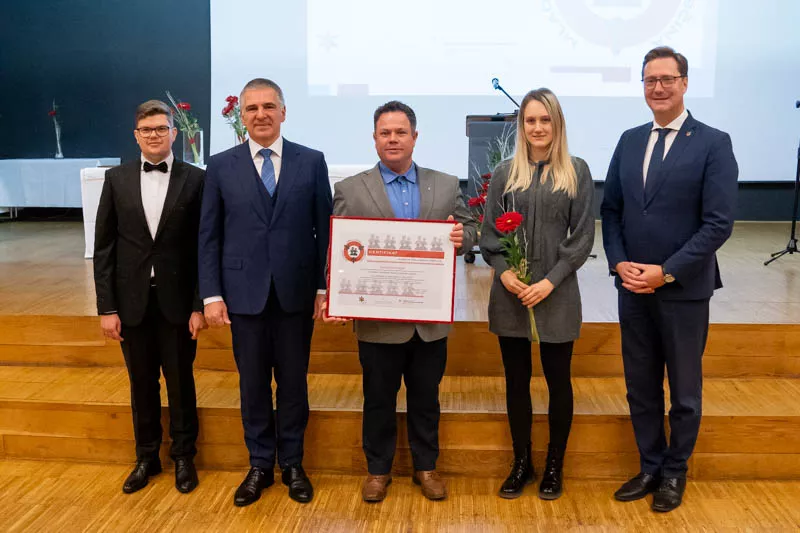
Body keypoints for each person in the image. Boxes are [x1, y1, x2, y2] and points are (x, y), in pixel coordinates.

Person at [601, 46, 738, 512]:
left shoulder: (713, 143)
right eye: (649, 80)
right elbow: (612, 210)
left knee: (684, 393)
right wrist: (619, 262)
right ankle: (650, 465)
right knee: (640, 387)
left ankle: (675, 471)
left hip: (682, 290)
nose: (657, 88)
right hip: (632, 288)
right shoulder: (629, 140)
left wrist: (667, 271)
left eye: (667, 79)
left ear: (684, 83)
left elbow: (717, 224)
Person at [324, 101, 477, 503]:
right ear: (374, 138)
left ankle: (426, 467)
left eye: (400, 132)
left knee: (426, 399)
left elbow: (470, 231)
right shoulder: (350, 189)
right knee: (378, 400)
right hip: (377, 322)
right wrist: (334, 295)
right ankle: (378, 471)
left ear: (414, 136)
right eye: (385, 133)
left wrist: (463, 238)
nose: (393, 139)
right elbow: (338, 250)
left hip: (428, 322)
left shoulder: (445, 185)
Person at [198, 78, 332, 506]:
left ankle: (292, 463)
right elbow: (209, 236)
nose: (261, 114)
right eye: (252, 108)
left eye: (269, 106)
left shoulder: (312, 161)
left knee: (293, 384)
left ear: (283, 112)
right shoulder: (220, 166)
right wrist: (211, 295)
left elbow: (325, 230)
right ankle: (259, 465)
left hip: (296, 294)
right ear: (242, 115)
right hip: (243, 296)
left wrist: (323, 286)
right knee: (253, 385)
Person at [480, 88, 594, 500]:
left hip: (556, 293)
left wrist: (550, 281)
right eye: (530, 120)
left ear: (557, 123)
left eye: (545, 120)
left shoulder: (576, 171)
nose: (538, 127)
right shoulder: (504, 174)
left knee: (558, 381)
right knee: (516, 382)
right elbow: (490, 235)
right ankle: (521, 462)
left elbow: (582, 238)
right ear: (521, 125)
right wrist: (505, 273)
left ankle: (554, 465)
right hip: (511, 294)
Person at [94, 99, 206, 494]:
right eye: (146, 130)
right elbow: (104, 248)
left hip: (178, 304)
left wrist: (199, 304)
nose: (154, 135)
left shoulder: (197, 179)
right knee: (141, 384)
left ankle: (184, 457)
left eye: (161, 128)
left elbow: (203, 248)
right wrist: (107, 307)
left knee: (180, 383)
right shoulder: (116, 179)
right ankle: (146, 457)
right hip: (131, 304)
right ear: (136, 135)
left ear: (174, 133)